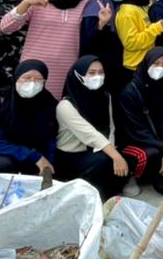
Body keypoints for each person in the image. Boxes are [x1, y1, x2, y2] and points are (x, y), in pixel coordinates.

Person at [0, 0, 88, 98]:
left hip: (65, 67)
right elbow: (6, 27)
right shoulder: (37, 0)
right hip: (33, 66)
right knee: (29, 104)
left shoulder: (84, 4)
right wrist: (27, 3)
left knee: (57, 109)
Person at [54, 56, 130, 199]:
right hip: (72, 155)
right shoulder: (65, 105)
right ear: (78, 75)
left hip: (98, 149)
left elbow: (111, 127)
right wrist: (115, 156)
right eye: (92, 73)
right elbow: (90, 134)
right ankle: (79, 189)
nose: (97, 77)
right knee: (105, 162)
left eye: (101, 72)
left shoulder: (105, 96)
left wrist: (114, 154)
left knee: (120, 165)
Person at [115, 47, 163, 196]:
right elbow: (136, 130)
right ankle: (130, 175)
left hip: (159, 140)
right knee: (151, 154)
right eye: (156, 63)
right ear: (146, 63)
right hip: (134, 140)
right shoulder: (130, 92)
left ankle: (155, 170)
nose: (160, 68)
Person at [0, 59, 57, 176]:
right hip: (5, 156)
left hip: (39, 160)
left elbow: (52, 140)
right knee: (0, 165)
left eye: (38, 79)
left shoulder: (50, 104)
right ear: (16, 78)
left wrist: (49, 163)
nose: (32, 83)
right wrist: (34, 156)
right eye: (27, 78)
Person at [79, 0, 128, 95]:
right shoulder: (95, 5)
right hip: (97, 65)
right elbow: (87, 41)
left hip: (118, 67)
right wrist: (101, 24)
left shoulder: (127, 7)